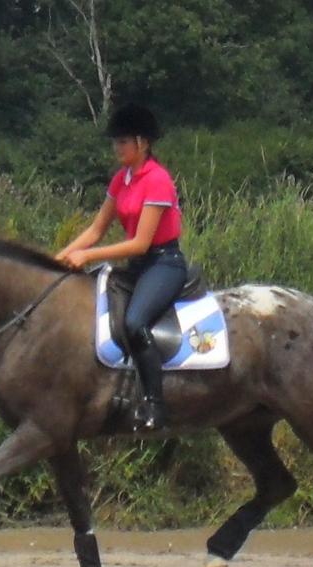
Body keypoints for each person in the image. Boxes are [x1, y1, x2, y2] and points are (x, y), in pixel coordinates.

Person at [56, 103, 186, 430]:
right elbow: (96, 229)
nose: (116, 147)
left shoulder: (157, 180)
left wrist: (89, 256)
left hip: (163, 264)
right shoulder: (121, 179)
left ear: (142, 143)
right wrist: (59, 257)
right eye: (115, 142)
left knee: (134, 321)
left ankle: (156, 406)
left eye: (123, 141)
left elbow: (141, 243)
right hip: (138, 266)